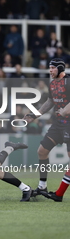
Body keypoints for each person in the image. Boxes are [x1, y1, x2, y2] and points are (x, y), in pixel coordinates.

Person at [24, 58, 70, 200]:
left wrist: (65, 110)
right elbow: (50, 101)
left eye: (53, 68)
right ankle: (42, 185)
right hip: (58, 124)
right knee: (42, 151)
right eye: (49, 68)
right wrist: (35, 115)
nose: (50, 70)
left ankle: (59, 194)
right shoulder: (52, 83)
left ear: (61, 69)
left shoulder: (68, 81)